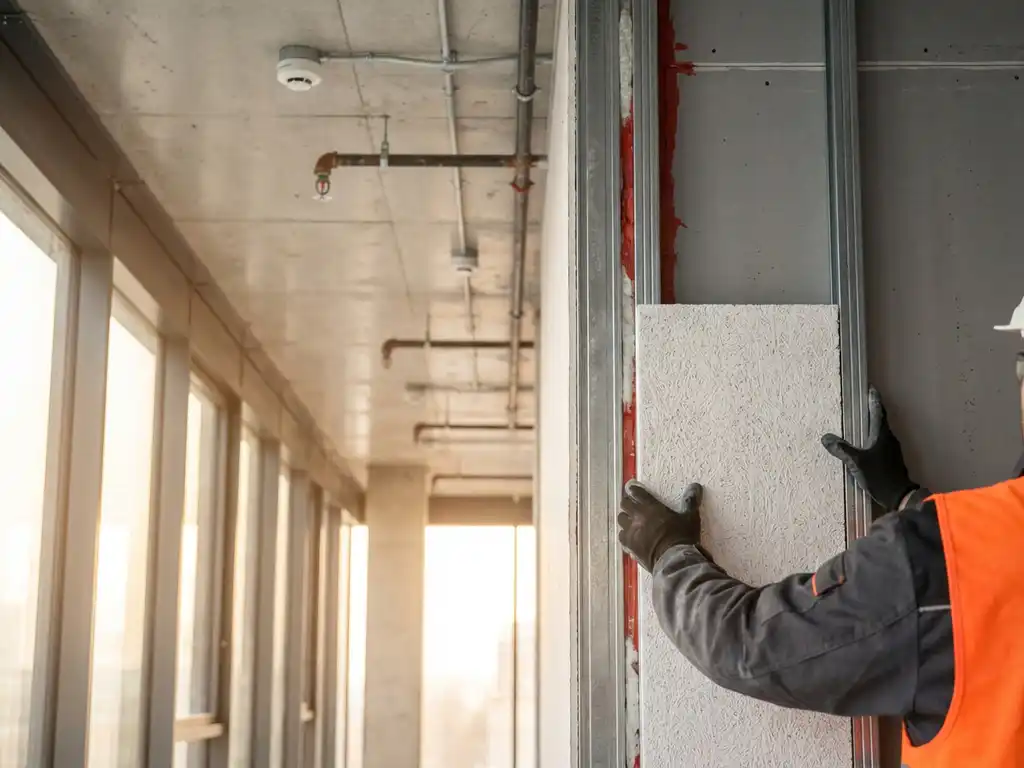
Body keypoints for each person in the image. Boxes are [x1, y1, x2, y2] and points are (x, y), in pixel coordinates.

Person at [618, 303, 1024, 768]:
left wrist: (667, 551)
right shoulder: (956, 560)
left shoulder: (943, 564)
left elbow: (749, 648)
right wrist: (907, 499)